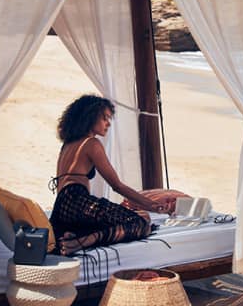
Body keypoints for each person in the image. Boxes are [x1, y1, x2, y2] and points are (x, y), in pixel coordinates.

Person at [49, 95, 170, 255]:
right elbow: (117, 186)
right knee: (140, 224)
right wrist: (152, 205)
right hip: (77, 201)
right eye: (104, 118)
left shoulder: (68, 144)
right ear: (90, 116)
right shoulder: (91, 143)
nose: (108, 123)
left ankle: (77, 238)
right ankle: (82, 242)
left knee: (143, 217)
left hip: (62, 209)